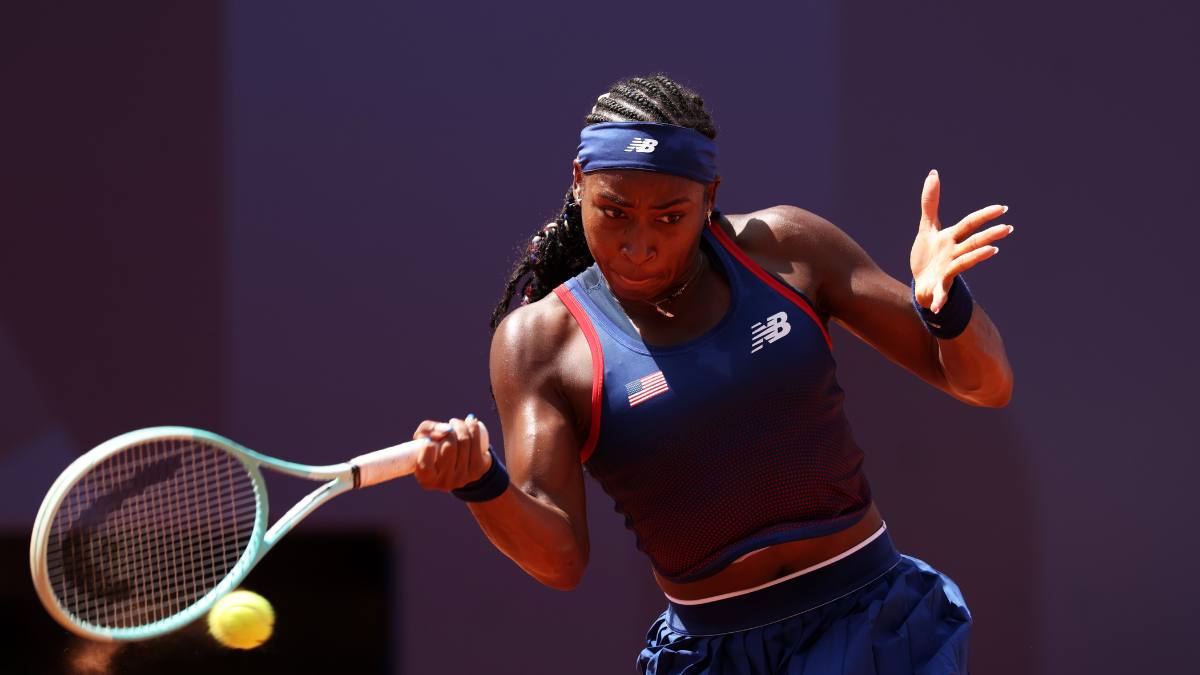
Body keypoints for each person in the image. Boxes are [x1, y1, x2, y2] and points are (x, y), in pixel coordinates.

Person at [409, 74, 1013, 674]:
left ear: (709, 197)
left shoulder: (788, 248)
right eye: (614, 212)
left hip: (872, 624)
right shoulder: (537, 344)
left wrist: (945, 308)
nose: (638, 245)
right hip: (710, 655)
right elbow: (560, 557)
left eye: (669, 218)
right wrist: (483, 481)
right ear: (578, 183)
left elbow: (984, 384)